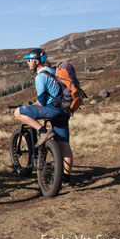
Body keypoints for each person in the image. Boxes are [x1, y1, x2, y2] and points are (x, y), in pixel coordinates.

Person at [13, 48, 74, 189]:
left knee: (18, 112)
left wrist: (31, 107)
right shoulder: (54, 71)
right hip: (64, 111)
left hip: (51, 109)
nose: (28, 63)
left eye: (29, 60)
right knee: (64, 145)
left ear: (36, 61)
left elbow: (41, 101)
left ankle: (43, 131)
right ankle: (66, 180)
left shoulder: (40, 76)